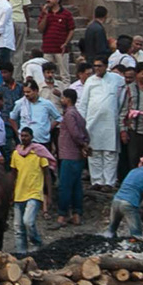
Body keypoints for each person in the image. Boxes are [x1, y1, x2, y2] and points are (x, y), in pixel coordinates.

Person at [9, 127, 55, 256]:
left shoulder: (39, 152)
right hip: (19, 194)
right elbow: (13, 174)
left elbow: (47, 174)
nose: (23, 138)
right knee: (18, 227)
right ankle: (21, 254)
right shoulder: (16, 154)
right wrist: (10, 192)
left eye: (26, 136)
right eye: (22, 136)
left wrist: (49, 195)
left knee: (28, 222)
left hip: (34, 193)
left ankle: (37, 243)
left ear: (31, 137)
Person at [81, 55, 124, 187]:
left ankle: (109, 183)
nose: (97, 68)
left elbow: (121, 100)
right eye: (95, 66)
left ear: (106, 66)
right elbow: (84, 103)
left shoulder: (117, 79)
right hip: (92, 122)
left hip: (110, 122)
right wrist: (82, 122)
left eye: (100, 66)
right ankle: (97, 181)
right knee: (94, 153)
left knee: (110, 153)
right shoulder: (90, 81)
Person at [55, 89, 88, 224]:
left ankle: (62, 216)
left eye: (62, 98)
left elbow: (75, 134)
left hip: (69, 155)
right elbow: (84, 131)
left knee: (65, 186)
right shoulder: (77, 114)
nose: (61, 100)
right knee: (76, 186)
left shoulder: (69, 114)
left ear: (67, 99)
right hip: (77, 156)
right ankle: (76, 214)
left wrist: (82, 144)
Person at [109, 156, 143, 240]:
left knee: (111, 230)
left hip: (116, 200)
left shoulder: (133, 171)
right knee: (136, 234)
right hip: (129, 203)